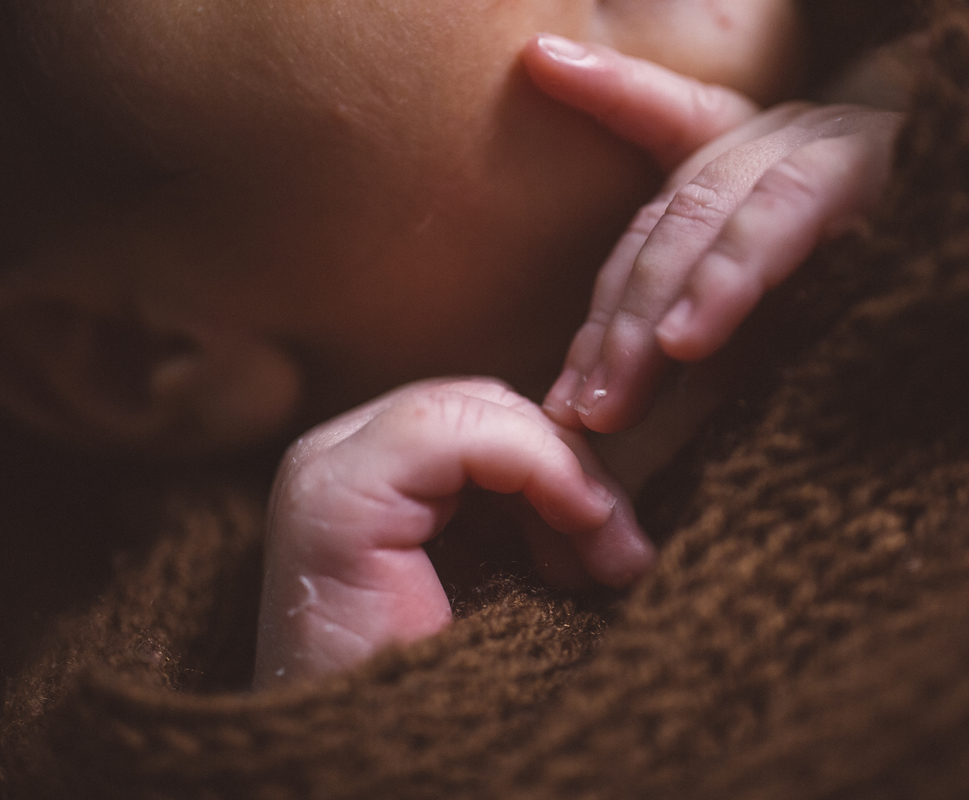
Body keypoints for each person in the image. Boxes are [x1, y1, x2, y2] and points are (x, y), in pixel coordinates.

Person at [0, 0, 903, 687]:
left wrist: (936, 151)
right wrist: (356, 696)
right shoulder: (161, 650)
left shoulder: (929, 104)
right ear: (131, 353)